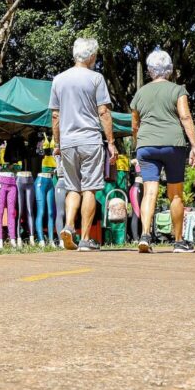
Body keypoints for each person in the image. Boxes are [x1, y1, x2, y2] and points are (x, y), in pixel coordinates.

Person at [50, 37, 117, 252]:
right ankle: (86, 239)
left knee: (72, 187)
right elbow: (104, 112)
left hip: (68, 142)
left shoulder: (58, 80)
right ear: (90, 56)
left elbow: (55, 116)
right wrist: (112, 143)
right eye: (95, 55)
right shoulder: (96, 78)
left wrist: (58, 143)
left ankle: (69, 226)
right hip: (90, 140)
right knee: (89, 188)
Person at [129, 50, 195, 253]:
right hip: (173, 145)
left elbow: (135, 124)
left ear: (150, 70)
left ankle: (144, 236)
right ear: (169, 69)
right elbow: (185, 118)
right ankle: (178, 242)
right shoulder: (178, 90)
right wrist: (194, 145)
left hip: (146, 146)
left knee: (149, 191)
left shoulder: (140, 93)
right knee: (175, 194)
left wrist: (138, 143)